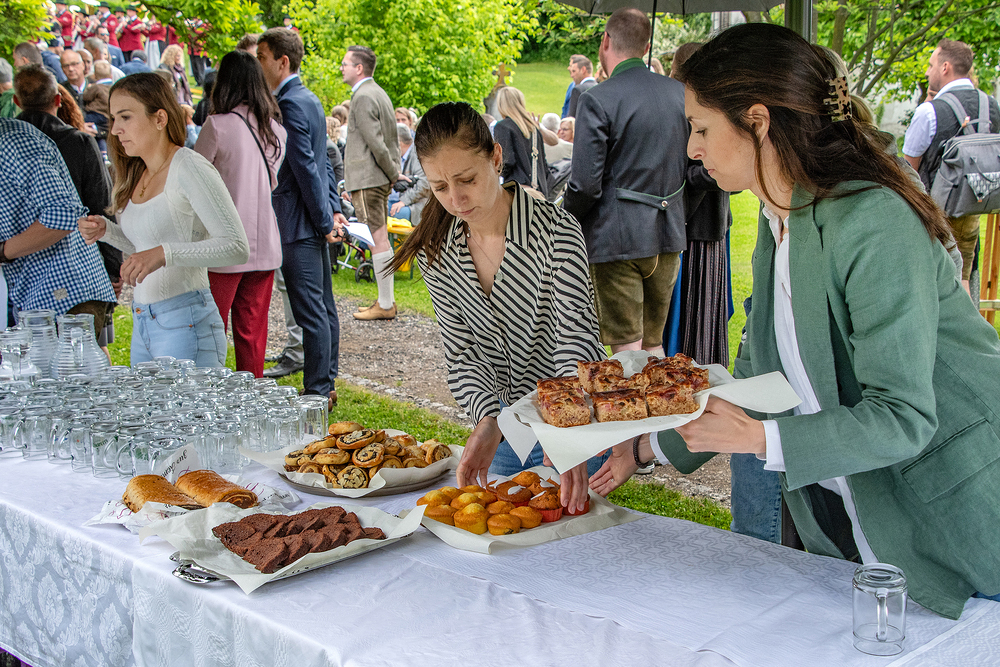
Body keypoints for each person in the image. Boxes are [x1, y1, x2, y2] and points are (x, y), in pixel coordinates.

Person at [591, 22, 1000, 621]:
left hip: (956, 521)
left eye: (701, 128)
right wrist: (648, 447)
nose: (692, 149)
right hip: (862, 526)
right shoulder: (779, 212)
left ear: (757, 121)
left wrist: (759, 439)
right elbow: (763, 372)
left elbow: (903, 415)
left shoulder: (872, 218)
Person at [390, 102, 607, 513]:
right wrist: (488, 418)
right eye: (440, 187)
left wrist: (567, 430)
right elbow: (463, 352)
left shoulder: (556, 230)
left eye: (467, 179)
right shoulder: (437, 251)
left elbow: (575, 338)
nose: (456, 199)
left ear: (495, 158)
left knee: (574, 536)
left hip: (571, 419)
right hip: (505, 428)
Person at [77, 73, 249, 366]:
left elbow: (236, 247)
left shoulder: (189, 167)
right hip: (144, 320)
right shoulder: (136, 172)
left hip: (186, 321)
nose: (115, 129)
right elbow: (145, 250)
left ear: (160, 118)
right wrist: (107, 231)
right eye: (113, 118)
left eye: (125, 117)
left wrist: (164, 253)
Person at [563, 8, 688, 359]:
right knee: (654, 344)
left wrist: (563, 220)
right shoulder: (680, 93)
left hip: (617, 241)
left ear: (605, 41)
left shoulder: (597, 99)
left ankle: (631, 398)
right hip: (669, 236)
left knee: (627, 348)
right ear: (646, 47)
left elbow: (585, 185)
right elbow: (697, 168)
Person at [257, 28, 345, 408]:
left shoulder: (290, 103)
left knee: (311, 310)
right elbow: (322, 162)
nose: (258, 65)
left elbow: (307, 166)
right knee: (323, 306)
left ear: (282, 61)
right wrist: (331, 211)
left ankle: (317, 390)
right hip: (312, 215)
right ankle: (327, 383)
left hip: (297, 220)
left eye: (261, 57)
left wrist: (325, 221)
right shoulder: (308, 98)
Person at [14, 64, 123, 354]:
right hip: (78, 269)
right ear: (58, 99)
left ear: (16, 101)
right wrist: (113, 269)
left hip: (21, 269)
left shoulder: (10, 144)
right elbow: (102, 206)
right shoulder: (78, 141)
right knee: (90, 354)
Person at [195, 50, 287, 378]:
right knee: (252, 333)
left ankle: (210, 393)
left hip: (224, 242)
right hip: (264, 242)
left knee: (211, 329)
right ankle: (252, 394)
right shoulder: (276, 130)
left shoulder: (217, 126)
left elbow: (195, 180)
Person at [902, 38, 1000, 294]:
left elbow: (907, 172)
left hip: (932, 221)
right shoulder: (992, 106)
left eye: (931, 64)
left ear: (945, 67)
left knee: (937, 287)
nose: (927, 72)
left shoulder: (929, 112)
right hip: (975, 210)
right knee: (965, 279)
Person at [0, 119, 116, 327]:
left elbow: (63, 215)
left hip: (64, 294)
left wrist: (3, 251)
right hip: (32, 295)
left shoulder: (13, 142)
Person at [342, 45, 402, 322]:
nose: (341, 68)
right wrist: (393, 173)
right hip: (377, 177)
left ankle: (386, 304)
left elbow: (376, 143)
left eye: (345, 63)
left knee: (377, 238)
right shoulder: (378, 92)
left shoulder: (364, 96)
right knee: (379, 237)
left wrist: (392, 174)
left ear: (359, 68)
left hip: (369, 178)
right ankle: (384, 300)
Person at [493, 86, 548, 196]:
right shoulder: (534, 129)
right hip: (539, 191)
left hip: (517, 190)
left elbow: (506, 162)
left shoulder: (503, 127)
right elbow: (544, 165)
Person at [390, 122, 427, 224]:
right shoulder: (400, 155)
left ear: (399, 142)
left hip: (418, 205)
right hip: (398, 200)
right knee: (377, 209)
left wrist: (403, 201)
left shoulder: (417, 154)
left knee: (383, 213)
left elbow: (424, 184)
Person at [567, 54, 597, 119]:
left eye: (574, 71)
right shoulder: (599, 87)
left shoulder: (578, 90)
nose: (571, 75)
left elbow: (571, 119)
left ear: (583, 70)